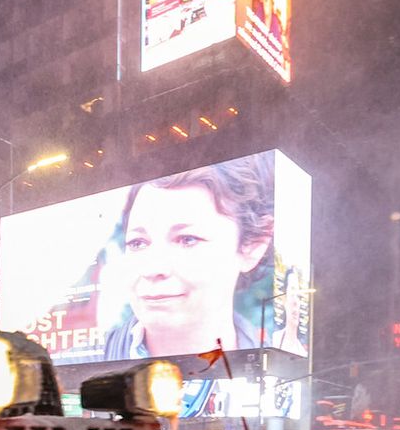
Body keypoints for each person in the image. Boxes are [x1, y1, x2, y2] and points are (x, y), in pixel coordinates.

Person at [101, 154, 274, 361]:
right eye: (138, 243)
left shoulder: (286, 379)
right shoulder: (62, 376)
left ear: (252, 246)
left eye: (187, 239)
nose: (152, 269)